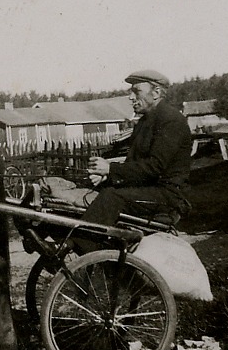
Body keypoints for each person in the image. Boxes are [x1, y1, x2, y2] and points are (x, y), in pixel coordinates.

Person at [82, 69, 192, 231]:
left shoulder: (171, 120)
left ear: (156, 92)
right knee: (101, 190)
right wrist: (106, 177)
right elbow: (134, 165)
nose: (131, 97)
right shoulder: (144, 122)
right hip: (151, 191)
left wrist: (110, 169)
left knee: (111, 197)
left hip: (168, 195)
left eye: (136, 91)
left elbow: (155, 167)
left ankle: (75, 244)